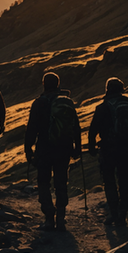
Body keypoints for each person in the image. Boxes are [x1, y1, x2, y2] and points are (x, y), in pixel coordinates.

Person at [24, 72, 81, 231]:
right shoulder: (66, 102)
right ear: (58, 84)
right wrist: (77, 147)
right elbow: (75, 126)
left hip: (44, 149)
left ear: (44, 84)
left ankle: (49, 217)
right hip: (64, 148)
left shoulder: (39, 103)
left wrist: (28, 148)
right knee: (61, 182)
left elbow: (31, 128)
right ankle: (61, 218)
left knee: (43, 182)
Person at [88, 77, 128, 226]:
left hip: (108, 148)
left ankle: (114, 213)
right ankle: (123, 214)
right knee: (124, 178)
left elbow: (93, 130)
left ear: (107, 90)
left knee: (109, 180)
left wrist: (92, 147)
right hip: (127, 148)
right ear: (121, 89)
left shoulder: (102, 107)